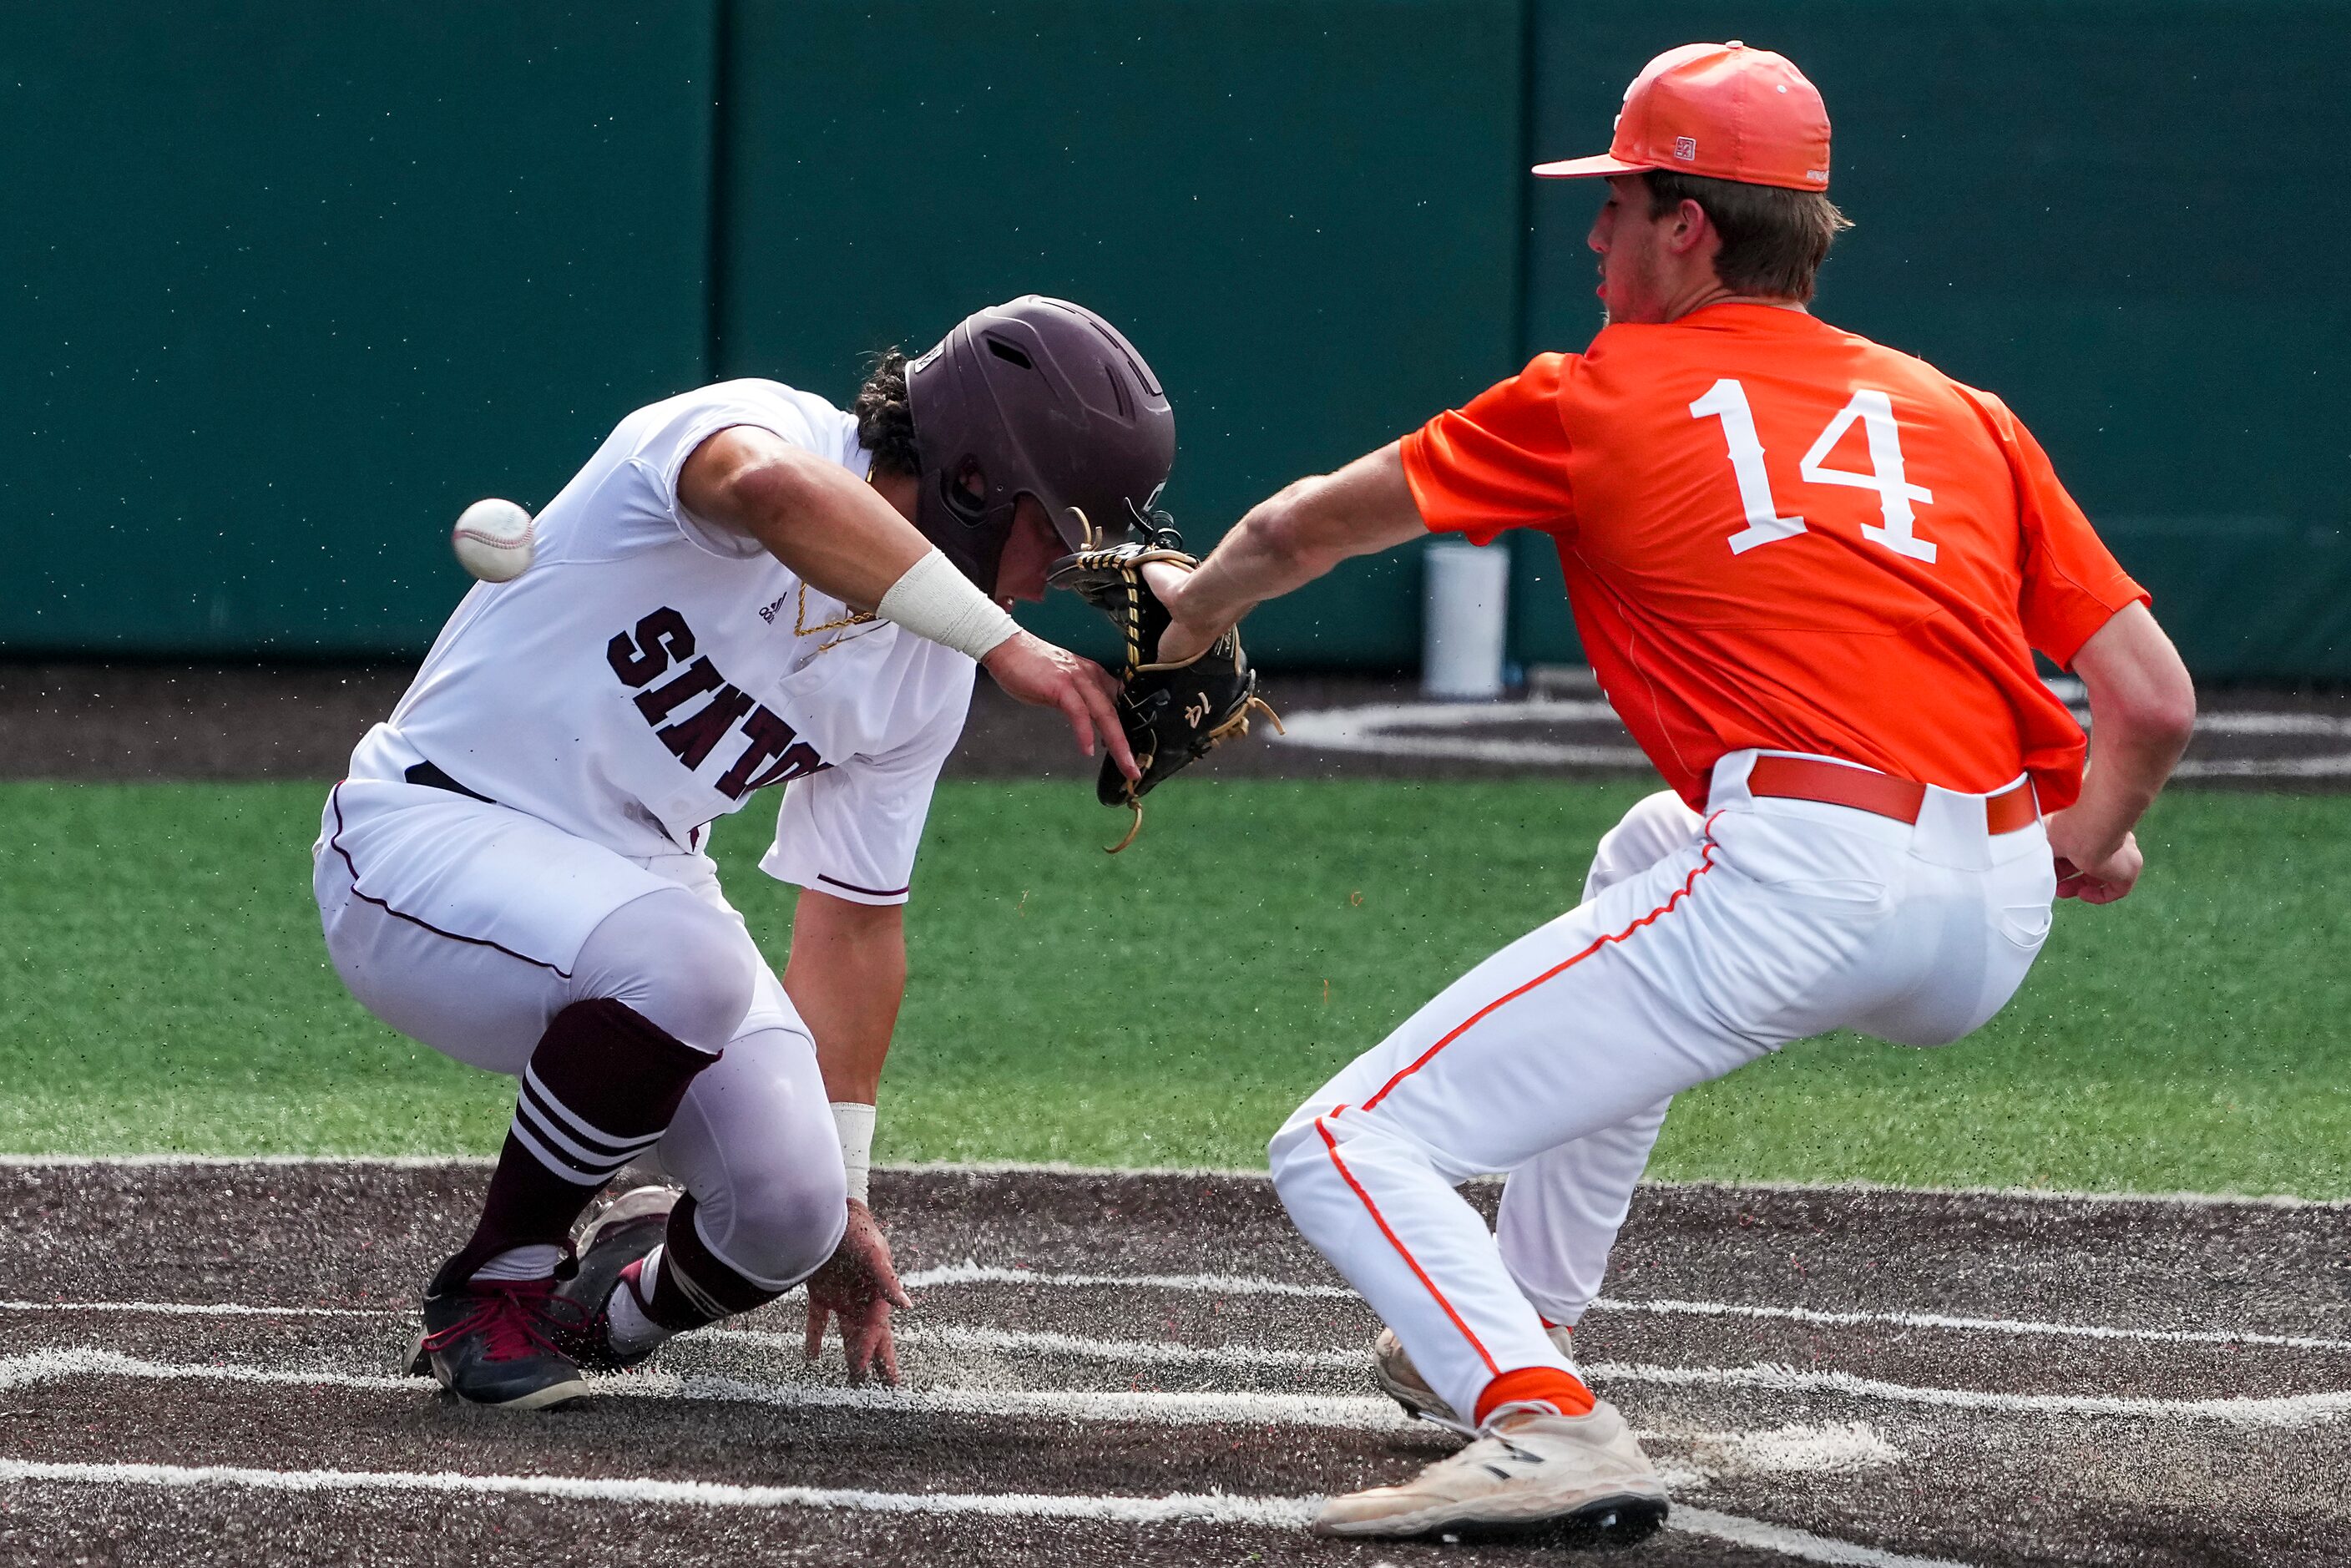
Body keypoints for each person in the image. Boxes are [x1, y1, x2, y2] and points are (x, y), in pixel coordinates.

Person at [1154, 42, 2196, 1545]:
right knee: (1649, 841)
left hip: (1810, 883)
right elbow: (2153, 699)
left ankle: (1538, 1419)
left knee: (1341, 1140)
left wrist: (1187, 617)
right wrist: (2084, 839)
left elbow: (1303, 526)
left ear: (1690, 222)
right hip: (1993, 905)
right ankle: (1538, 1304)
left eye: (1620, 204)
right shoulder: (1961, 410)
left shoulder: (1599, 391)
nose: (1595, 235)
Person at [312, 296, 1173, 1409]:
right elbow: (767, 494)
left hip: (634, 894)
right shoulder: (764, 426)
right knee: (689, 965)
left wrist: (853, 1196)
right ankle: (495, 1281)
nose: (1060, 570)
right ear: (972, 479)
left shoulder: (929, 672)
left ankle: (607, 1309)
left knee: (790, 1210)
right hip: (422, 840)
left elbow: (854, 922)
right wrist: (1008, 644)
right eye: (1056, 527)